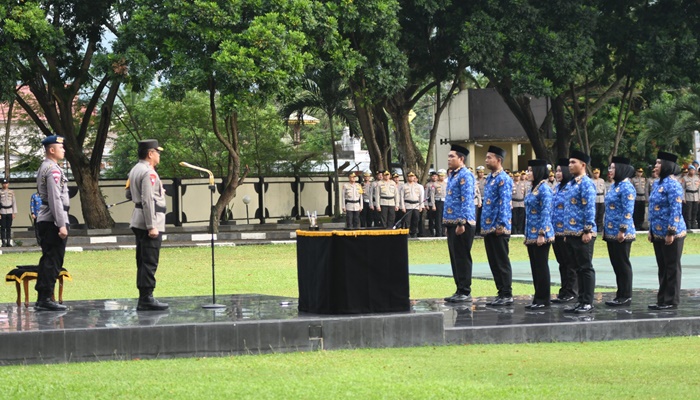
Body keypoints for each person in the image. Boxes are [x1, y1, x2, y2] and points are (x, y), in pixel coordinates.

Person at [127, 139, 169, 311]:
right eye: (157, 152)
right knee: (149, 261)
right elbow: (147, 200)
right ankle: (146, 297)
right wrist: (152, 225)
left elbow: (129, 193)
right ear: (150, 154)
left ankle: (144, 296)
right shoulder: (149, 172)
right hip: (149, 222)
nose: (159, 155)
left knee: (143, 260)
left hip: (138, 219)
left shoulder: (135, 169)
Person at [34, 135, 69, 311]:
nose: (64, 150)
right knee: (53, 259)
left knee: (49, 258)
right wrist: (61, 224)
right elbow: (55, 198)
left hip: (47, 218)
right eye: (61, 147)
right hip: (52, 219)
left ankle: (43, 297)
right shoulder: (53, 170)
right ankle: (45, 298)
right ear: (52, 150)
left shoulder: (46, 167)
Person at [647, 151, 686, 310]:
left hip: (672, 234)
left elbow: (675, 209)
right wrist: (650, 230)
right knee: (662, 267)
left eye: (658, 163)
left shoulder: (673, 184)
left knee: (672, 267)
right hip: (657, 232)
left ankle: (671, 301)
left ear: (666, 166)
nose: (655, 166)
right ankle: (662, 299)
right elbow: (652, 209)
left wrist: (671, 232)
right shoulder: (657, 183)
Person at [563, 150, 597, 314]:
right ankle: (580, 300)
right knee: (576, 268)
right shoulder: (571, 184)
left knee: (585, 267)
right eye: (569, 162)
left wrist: (588, 229)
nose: (570, 165)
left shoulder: (586, 183)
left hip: (583, 232)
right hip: (571, 232)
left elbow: (589, 208)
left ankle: (587, 301)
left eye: (573, 162)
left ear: (583, 165)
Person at [442, 144, 476, 303]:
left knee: (462, 256)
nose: (449, 159)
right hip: (451, 222)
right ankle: (459, 289)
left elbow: (467, 200)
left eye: (452, 157)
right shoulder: (453, 175)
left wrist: (462, 222)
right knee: (455, 257)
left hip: (461, 223)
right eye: (448, 156)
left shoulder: (465, 175)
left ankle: (465, 290)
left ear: (461, 159)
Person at [481, 145, 513, 306]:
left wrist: (501, 224)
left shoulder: (504, 179)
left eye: (489, 158)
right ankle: (500, 292)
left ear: (498, 160)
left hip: (499, 228)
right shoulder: (489, 178)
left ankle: (507, 293)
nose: (486, 160)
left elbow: (505, 204)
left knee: (501, 261)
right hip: (488, 227)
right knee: (493, 261)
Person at [603, 156, 636, 307]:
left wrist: (622, 229)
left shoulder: (626, 187)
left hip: (622, 233)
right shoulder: (614, 186)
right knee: (616, 264)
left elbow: (628, 211)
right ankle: (620, 294)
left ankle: (626, 295)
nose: (610, 171)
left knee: (623, 264)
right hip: (611, 231)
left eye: (612, 168)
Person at [523, 159, 554, 309]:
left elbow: (546, 212)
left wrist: (542, 232)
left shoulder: (544, 189)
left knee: (541, 266)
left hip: (541, 234)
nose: (528, 173)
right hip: (531, 234)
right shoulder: (532, 188)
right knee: (535, 266)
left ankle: (543, 299)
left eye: (530, 170)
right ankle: (537, 297)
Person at [551, 159, 577, 303]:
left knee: (570, 263)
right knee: (562, 263)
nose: (558, 173)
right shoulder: (556, 187)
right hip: (556, 231)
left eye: (561, 171)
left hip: (567, 231)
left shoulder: (570, 187)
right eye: (557, 171)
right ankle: (564, 290)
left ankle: (572, 291)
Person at [400, 172, 424, 237]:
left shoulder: (419, 186)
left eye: (412, 176)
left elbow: (421, 197)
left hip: (416, 205)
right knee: (407, 220)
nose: (411, 178)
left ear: (414, 177)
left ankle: (414, 232)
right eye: (409, 176)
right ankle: (407, 233)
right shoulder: (404, 186)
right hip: (407, 205)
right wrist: (402, 206)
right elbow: (401, 197)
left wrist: (421, 206)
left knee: (416, 219)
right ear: (407, 177)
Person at [0, 178, 18, 247]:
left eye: (6, 183)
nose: (5, 185)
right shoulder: (0, 192)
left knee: (8, 227)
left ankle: (8, 241)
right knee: (2, 227)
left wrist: (14, 212)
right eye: (4, 183)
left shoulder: (11, 192)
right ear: (2, 184)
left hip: (10, 210)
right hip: (2, 211)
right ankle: (3, 242)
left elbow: (14, 202)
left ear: (8, 184)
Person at [475, 166, 486, 234]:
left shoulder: (486, 180)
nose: (481, 174)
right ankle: (477, 230)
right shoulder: (475, 180)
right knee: (478, 215)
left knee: (484, 215)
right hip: (478, 199)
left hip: (485, 198)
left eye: (482, 172)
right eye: (479, 172)